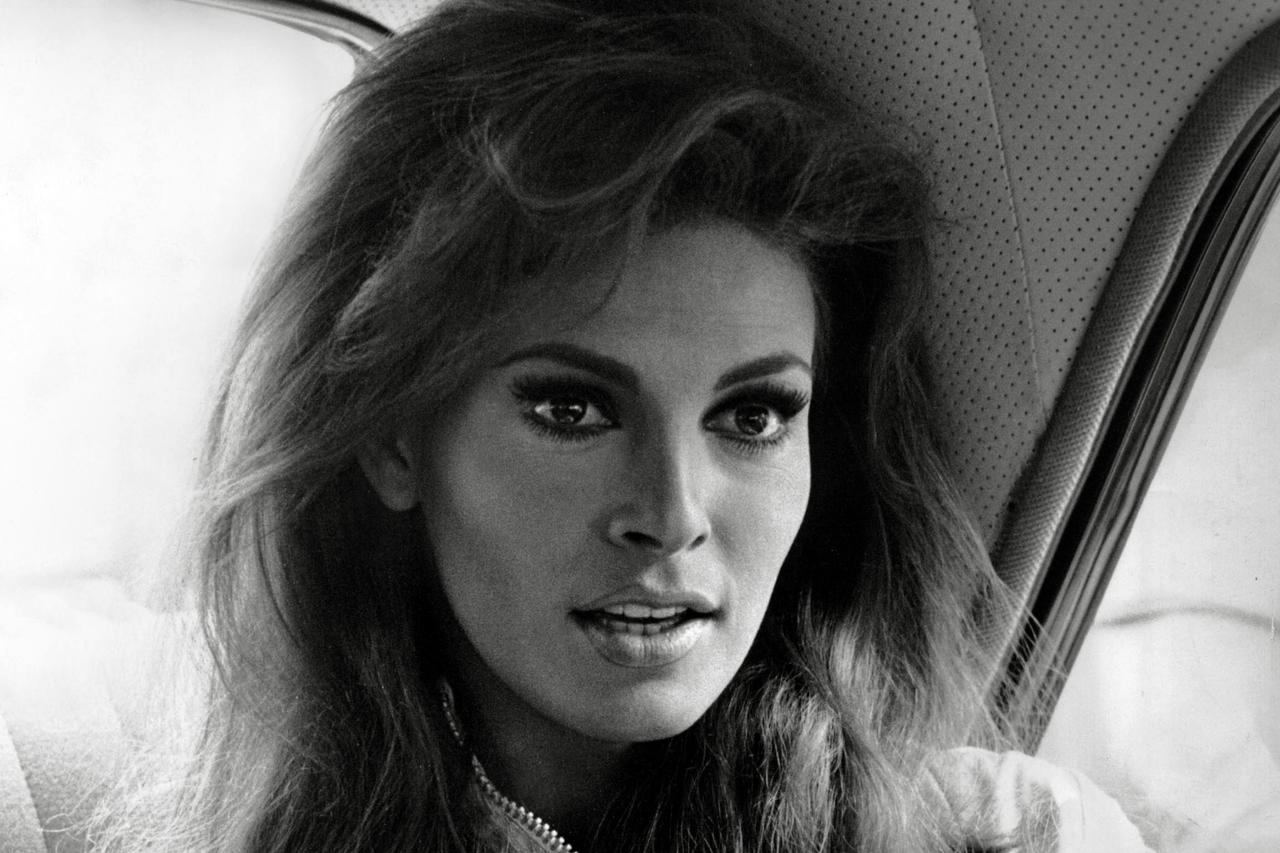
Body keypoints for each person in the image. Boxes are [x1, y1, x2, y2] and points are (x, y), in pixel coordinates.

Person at [93, 0, 1153, 850]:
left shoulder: (1015, 835)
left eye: (752, 415)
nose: (671, 512)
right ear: (393, 439)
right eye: (573, 409)